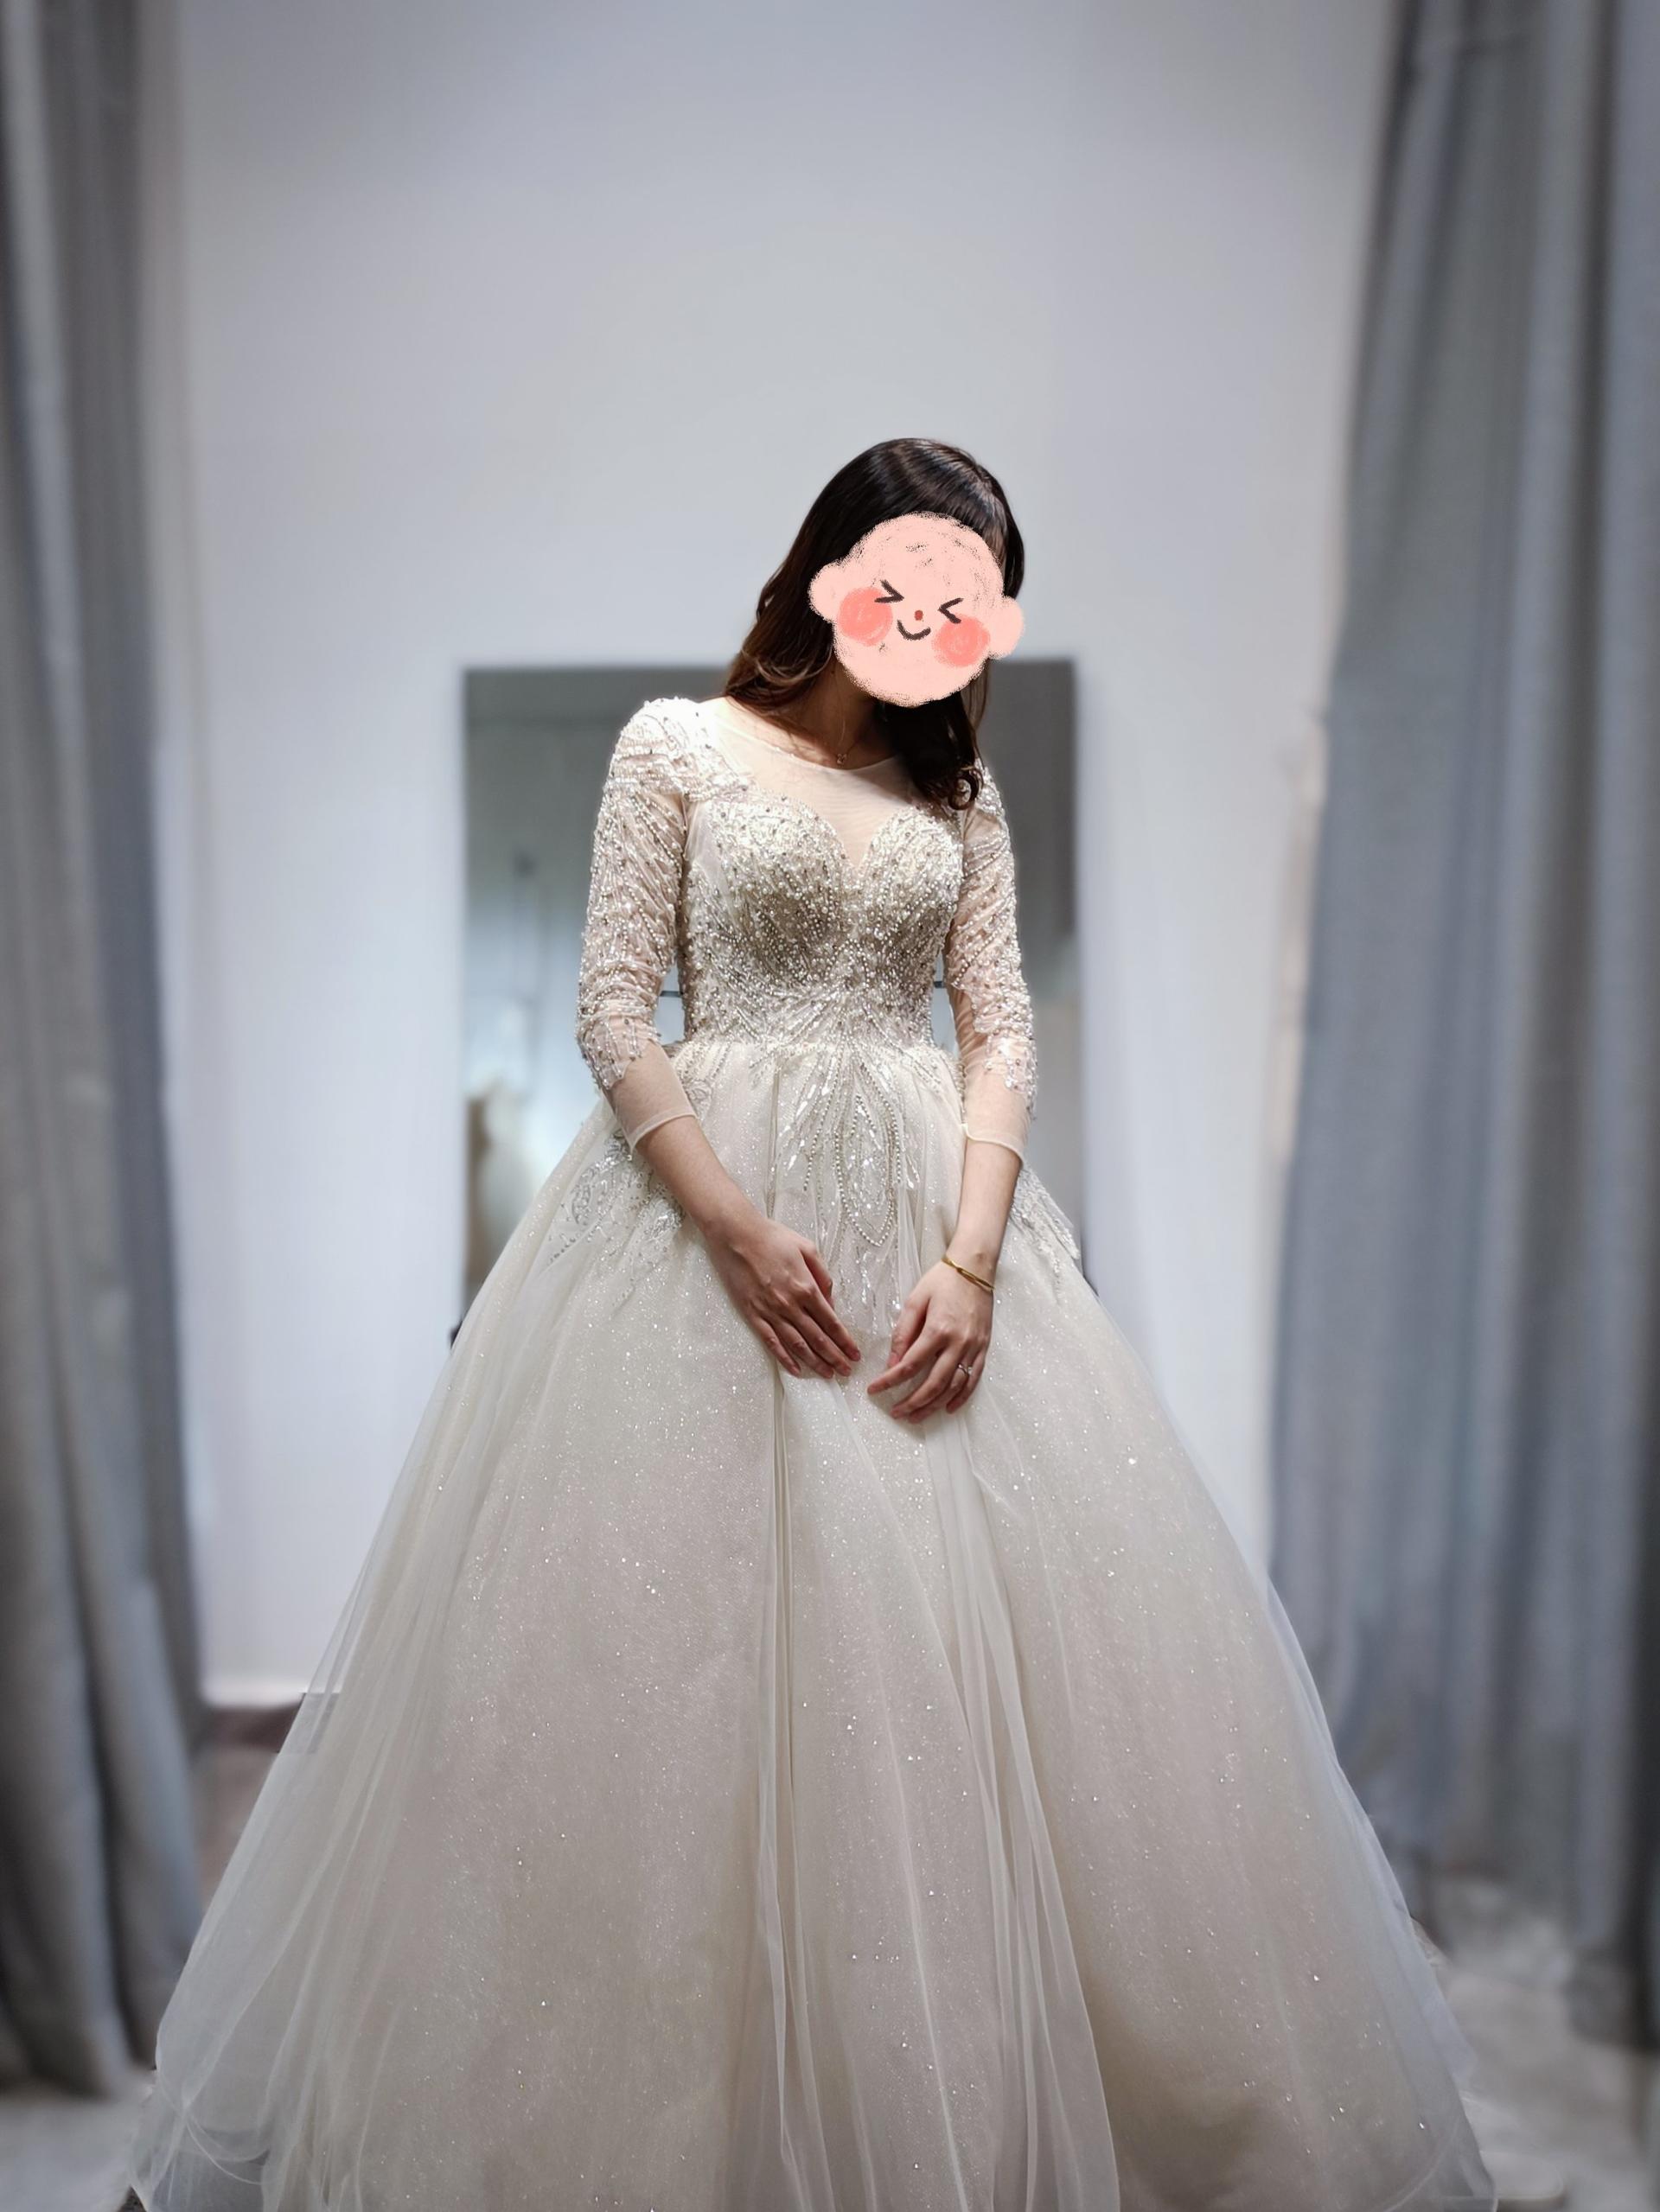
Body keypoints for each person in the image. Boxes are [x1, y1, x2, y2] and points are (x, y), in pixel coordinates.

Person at [128, 439, 1498, 2210]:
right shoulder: (676, 747)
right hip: (697, 1240)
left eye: (972, 598)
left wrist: (976, 1261)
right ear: (835, 568)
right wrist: (729, 1226)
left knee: (981, 1695)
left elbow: (1001, 1025)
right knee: (653, 1691)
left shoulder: (961, 798)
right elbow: (612, 1007)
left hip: (928, 1240)